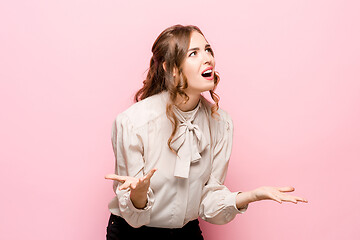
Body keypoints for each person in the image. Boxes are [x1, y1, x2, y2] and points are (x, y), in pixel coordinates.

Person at [104, 24, 307, 240]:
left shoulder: (221, 123)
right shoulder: (133, 122)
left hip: (186, 233)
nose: (208, 58)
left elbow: (208, 204)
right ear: (171, 68)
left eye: (208, 50)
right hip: (132, 234)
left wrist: (249, 196)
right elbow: (134, 217)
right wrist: (138, 194)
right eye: (194, 53)